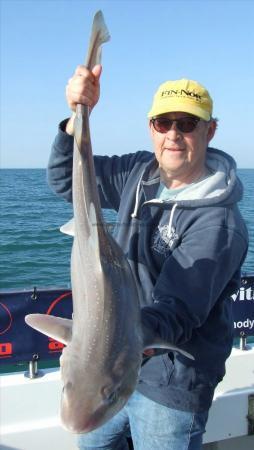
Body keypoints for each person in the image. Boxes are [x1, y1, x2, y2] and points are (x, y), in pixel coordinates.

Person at [48, 64, 248, 450]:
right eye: (163, 122)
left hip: (173, 385)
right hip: (106, 368)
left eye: (187, 124)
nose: (174, 134)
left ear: (210, 131)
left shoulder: (219, 224)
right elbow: (62, 180)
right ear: (151, 127)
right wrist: (75, 119)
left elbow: (175, 312)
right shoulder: (137, 171)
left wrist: (101, 339)